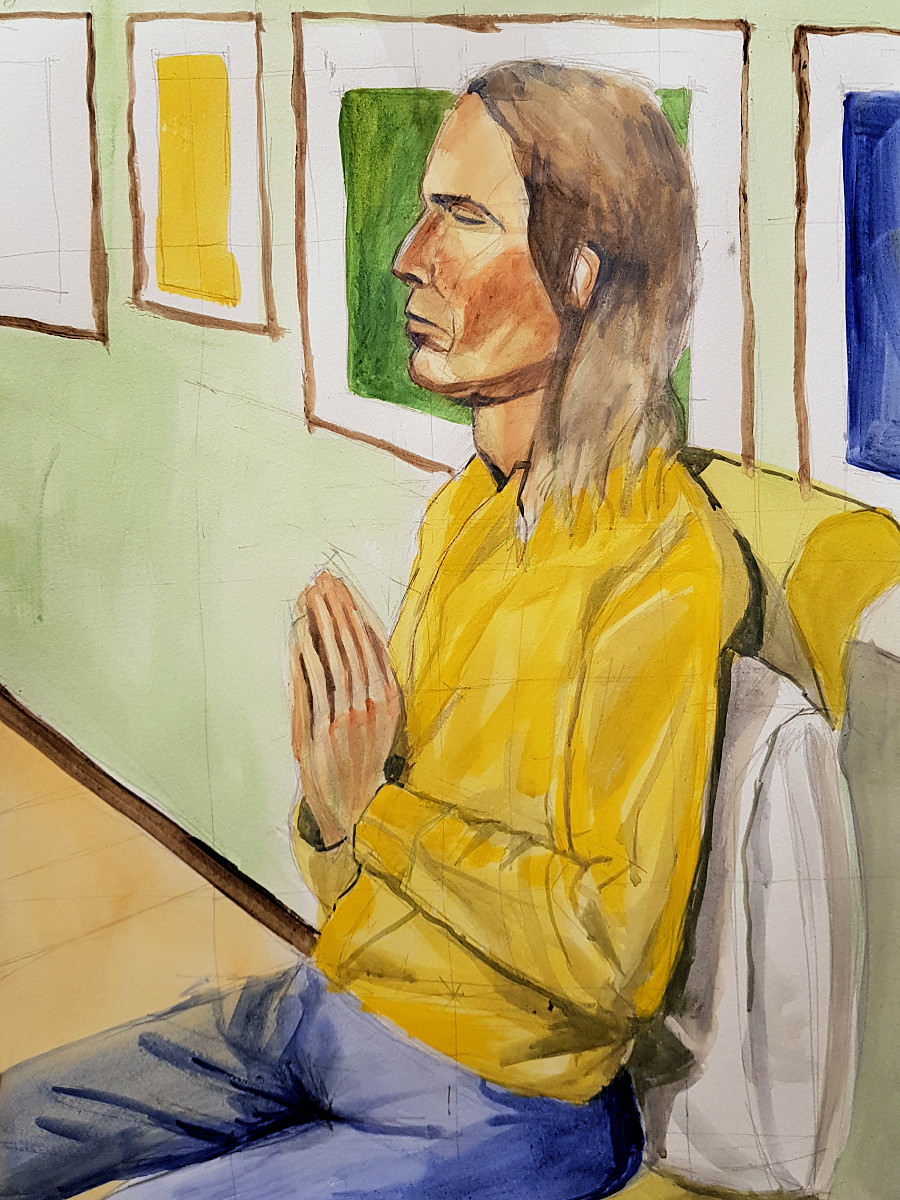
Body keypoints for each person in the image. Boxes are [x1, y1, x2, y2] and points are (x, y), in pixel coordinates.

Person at [0, 62, 749, 1200]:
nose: (409, 255)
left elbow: (612, 958)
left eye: (464, 217)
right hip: (336, 1004)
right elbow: (353, 862)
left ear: (582, 274)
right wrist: (332, 798)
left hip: (510, 1101)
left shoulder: (661, 561)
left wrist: (373, 815)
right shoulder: (466, 513)